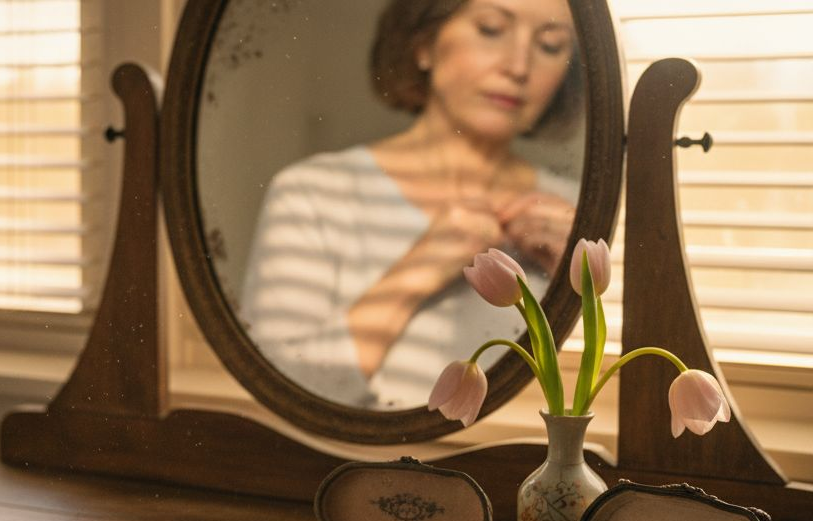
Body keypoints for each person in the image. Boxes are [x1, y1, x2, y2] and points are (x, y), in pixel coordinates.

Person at [241, 0, 581, 409]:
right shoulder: (311, 194)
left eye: (549, 45)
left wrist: (579, 284)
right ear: (424, 44)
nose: (518, 66)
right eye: (491, 29)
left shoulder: (581, 210)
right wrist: (414, 272)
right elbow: (278, 391)